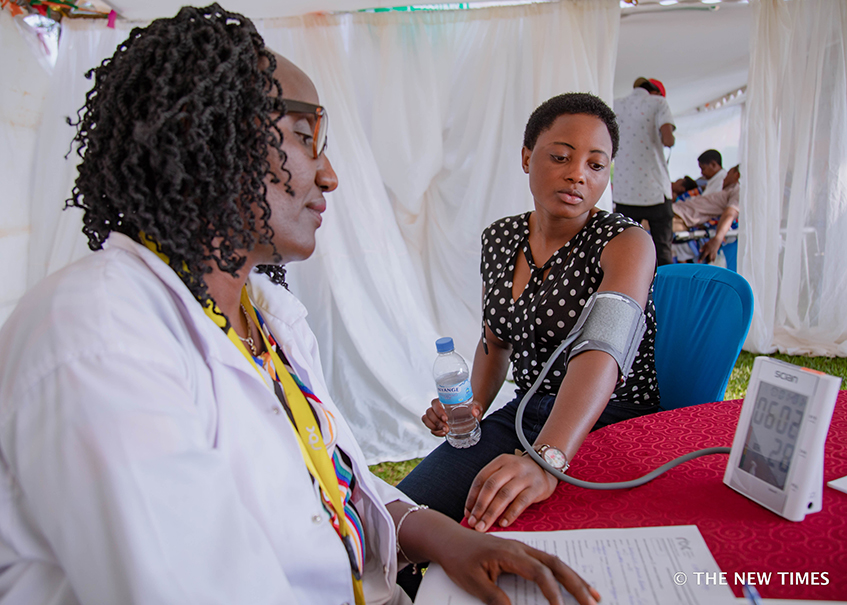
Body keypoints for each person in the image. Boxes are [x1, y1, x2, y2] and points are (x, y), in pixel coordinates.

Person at [0, 6, 602, 605]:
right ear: (213, 138)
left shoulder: (264, 315)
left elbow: (338, 486)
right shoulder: (101, 337)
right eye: (306, 136)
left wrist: (448, 541)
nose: (331, 174)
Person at [398, 93, 660, 535]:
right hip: (526, 414)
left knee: (501, 531)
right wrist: (471, 406)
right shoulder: (500, 238)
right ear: (526, 157)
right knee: (399, 521)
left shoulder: (626, 242)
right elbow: (495, 342)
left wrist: (546, 460)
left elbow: (604, 350)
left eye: (596, 166)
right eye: (560, 156)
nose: (578, 174)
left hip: (609, 418)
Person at [612, 77, 676, 265]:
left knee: (627, 251)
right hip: (655, 191)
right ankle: (665, 293)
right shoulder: (658, 103)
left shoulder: (616, 105)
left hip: (625, 194)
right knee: (662, 250)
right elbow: (668, 140)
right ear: (655, 92)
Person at [672, 165, 741, 263]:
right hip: (678, 212)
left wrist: (717, 239)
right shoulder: (725, 191)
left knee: (646, 224)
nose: (724, 178)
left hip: (681, 217)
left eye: (728, 174)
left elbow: (729, 214)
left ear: (736, 175)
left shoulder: (739, 190)